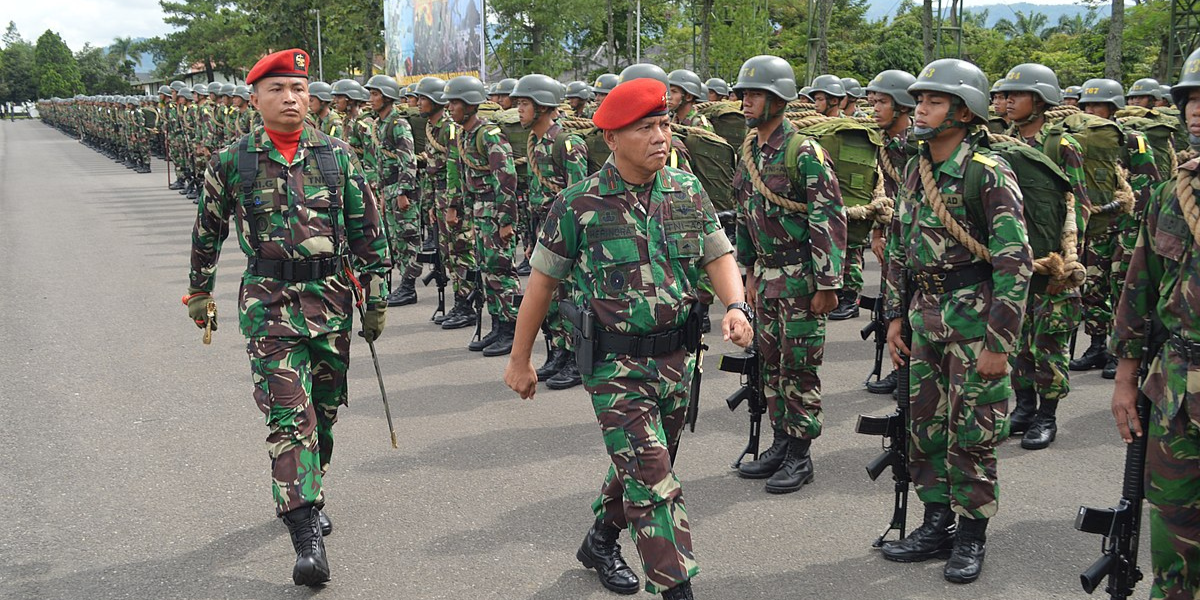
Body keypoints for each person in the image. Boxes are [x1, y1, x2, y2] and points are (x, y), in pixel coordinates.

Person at [504, 77, 753, 600]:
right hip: (616, 368)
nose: (661, 136)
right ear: (612, 138)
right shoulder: (579, 204)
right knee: (654, 480)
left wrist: (735, 306)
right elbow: (542, 284)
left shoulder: (685, 190)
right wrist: (520, 359)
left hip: (680, 359)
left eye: (664, 124)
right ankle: (676, 588)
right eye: (646, 128)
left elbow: (717, 254)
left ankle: (600, 539)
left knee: (645, 463)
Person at [183, 48, 390, 586]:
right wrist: (199, 292)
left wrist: (378, 294)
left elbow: (366, 228)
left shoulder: (337, 156)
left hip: (331, 302)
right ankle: (306, 537)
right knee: (287, 416)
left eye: (298, 89)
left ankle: (310, 489)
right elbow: (207, 230)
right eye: (276, 89)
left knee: (323, 411)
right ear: (255, 99)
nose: (290, 98)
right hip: (267, 303)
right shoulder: (234, 161)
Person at [881, 59, 1033, 583]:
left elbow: (1016, 261)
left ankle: (971, 536)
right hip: (924, 319)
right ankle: (935, 522)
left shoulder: (986, 171)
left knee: (973, 432)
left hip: (974, 325)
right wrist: (895, 319)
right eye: (919, 100)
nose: (919, 109)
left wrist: (1000, 342)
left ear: (963, 112)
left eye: (934, 101)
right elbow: (901, 249)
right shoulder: (913, 167)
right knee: (924, 427)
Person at [730, 55, 847, 493]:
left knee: (799, 368)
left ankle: (801, 454)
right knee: (771, 365)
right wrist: (747, 272)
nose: (746, 101)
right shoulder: (750, 152)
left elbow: (829, 218)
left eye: (755, 94)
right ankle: (781, 443)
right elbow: (745, 214)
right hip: (768, 276)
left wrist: (828, 284)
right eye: (744, 94)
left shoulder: (804, 152)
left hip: (802, 280)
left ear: (779, 100)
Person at [1110, 46, 1200, 600]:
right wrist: (1124, 377)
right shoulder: (1173, 193)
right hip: (1176, 388)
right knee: (1173, 533)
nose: (1195, 111)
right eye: (1191, 98)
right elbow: (1138, 290)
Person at [997, 63, 1093, 449]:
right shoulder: (1001, 143)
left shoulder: (1062, 146)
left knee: (1048, 343)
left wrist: (1067, 259)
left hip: (1054, 262)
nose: (1006, 102)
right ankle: (1023, 408)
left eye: (1014, 96)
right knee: (1017, 341)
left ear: (1039, 100)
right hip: (1020, 262)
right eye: (1004, 96)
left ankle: (1047, 415)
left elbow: (1080, 205)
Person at [510, 73, 590, 388]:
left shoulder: (567, 144)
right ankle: (559, 352)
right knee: (552, 299)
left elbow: (579, 198)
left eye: (524, 103)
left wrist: (574, 244)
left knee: (570, 295)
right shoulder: (534, 142)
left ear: (543, 107)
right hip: (545, 227)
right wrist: (530, 239)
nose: (519, 109)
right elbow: (534, 196)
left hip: (567, 233)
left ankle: (574, 359)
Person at [444, 75, 523, 356]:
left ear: (469, 104)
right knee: (488, 272)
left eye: (455, 102)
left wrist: (506, 220)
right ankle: (498, 325)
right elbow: (462, 175)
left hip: (494, 212)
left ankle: (512, 329)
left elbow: (507, 177)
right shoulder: (464, 135)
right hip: (479, 212)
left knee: (502, 272)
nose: (450, 108)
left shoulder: (488, 135)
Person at [864, 69, 917, 396]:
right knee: (893, 307)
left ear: (901, 105)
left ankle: (912, 375)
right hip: (894, 237)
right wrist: (877, 233)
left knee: (915, 310)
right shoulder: (881, 143)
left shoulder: (917, 145)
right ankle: (899, 372)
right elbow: (878, 191)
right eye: (873, 102)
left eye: (882, 102)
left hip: (920, 238)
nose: (875, 109)